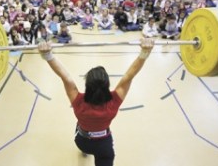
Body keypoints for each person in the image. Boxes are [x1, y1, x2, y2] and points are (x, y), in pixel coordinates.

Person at [38, 38, 154, 166]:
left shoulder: (78, 101)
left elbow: (65, 77)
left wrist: (47, 55)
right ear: (107, 86)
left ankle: (84, 151)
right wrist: (145, 52)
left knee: (80, 130)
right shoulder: (114, 102)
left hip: (82, 142)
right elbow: (129, 76)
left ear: (87, 86)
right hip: (104, 146)